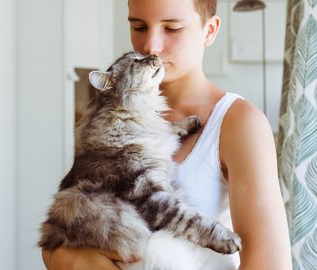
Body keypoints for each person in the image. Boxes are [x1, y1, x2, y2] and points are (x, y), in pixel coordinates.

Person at [42, 0, 292, 269]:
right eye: (138, 26)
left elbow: (271, 263)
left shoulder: (240, 122)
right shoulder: (112, 124)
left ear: (209, 30)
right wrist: (66, 258)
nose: (151, 47)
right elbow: (58, 236)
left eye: (172, 28)